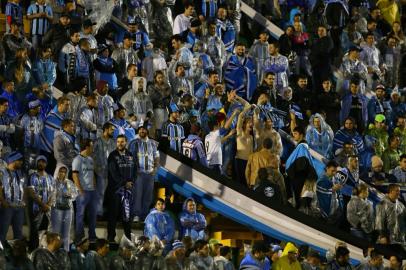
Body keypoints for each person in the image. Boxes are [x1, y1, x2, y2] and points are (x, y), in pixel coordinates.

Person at [107, 134, 136, 243]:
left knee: (127, 215)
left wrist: (131, 182)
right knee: (113, 215)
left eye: (122, 141)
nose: (120, 143)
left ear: (126, 142)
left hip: (128, 191)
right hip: (115, 191)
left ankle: (128, 238)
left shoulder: (131, 155)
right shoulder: (112, 155)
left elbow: (135, 171)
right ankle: (111, 238)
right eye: (118, 141)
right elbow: (113, 173)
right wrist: (125, 183)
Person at [129, 121, 160, 222]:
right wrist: (133, 171)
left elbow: (157, 157)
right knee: (137, 195)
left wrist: (155, 169)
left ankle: (145, 215)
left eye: (143, 129)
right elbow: (130, 158)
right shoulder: (134, 143)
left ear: (147, 130)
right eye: (140, 129)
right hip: (139, 174)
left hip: (150, 173)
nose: (142, 130)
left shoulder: (153, 143)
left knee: (148, 196)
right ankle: (136, 215)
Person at [27, 155, 54, 251]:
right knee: (34, 233)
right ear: (36, 163)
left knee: (46, 233)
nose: (41, 163)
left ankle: (44, 252)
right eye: (39, 161)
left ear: (46, 164)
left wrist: (48, 205)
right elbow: (31, 193)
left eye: (43, 162)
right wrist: (43, 205)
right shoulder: (32, 177)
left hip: (46, 210)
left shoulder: (50, 178)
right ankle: (33, 253)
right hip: (36, 210)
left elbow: (53, 193)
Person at [72, 139, 97, 242]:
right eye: (91, 146)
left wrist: (94, 185)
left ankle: (92, 237)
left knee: (93, 215)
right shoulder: (77, 159)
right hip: (83, 192)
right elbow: (75, 176)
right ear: (86, 147)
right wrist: (80, 190)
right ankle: (79, 237)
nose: (93, 149)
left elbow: (92, 174)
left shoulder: (91, 159)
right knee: (80, 215)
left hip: (92, 192)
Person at [0, 151, 25, 245]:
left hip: (19, 207)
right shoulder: (2, 172)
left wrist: (24, 201)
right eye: (19, 160)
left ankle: (17, 253)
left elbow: (23, 188)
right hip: (8, 207)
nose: (21, 162)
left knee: (18, 233)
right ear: (13, 160)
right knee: (3, 232)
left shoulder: (20, 173)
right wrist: (2, 201)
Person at [51, 165, 77, 251]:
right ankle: (55, 251)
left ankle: (66, 252)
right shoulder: (53, 182)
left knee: (66, 234)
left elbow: (75, 194)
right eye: (60, 171)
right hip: (57, 209)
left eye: (64, 172)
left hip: (67, 210)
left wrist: (71, 195)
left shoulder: (69, 183)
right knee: (56, 233)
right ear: (57, 172)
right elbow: (50, 195)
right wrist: (55, 195)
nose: (62, 173)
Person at [92, 122, 116, 216]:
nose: (113, 131)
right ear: (105, 129)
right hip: (101, 171)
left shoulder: (113, 142)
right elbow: (92, 156)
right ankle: (98, 213)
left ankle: (110, 213)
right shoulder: (97, 141)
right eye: (111, 129)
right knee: (100, 192)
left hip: (111, 172)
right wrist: (95, 169)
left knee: (111, 194)